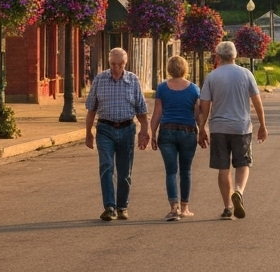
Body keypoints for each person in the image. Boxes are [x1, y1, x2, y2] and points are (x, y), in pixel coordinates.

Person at [198, 40, 267, 220]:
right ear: (235, 55)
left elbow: (204, 105)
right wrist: (262, 125)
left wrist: (201, 128)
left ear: (218, 56)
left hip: (219, 127)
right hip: (241, 126)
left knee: (223, 168)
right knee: (243, 164)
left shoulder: (212, 76)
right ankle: (238, 191)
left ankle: (228, 206)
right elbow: (256, 101)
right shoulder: (246, 74)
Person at [84, 47, 150, 221]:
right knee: (106, 166)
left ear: (125, 64)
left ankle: (122, 206)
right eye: (113, 64)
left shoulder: (133, 81)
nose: (116, 68)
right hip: (105, 128)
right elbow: (91, 109)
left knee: (124, 171)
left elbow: (141, 111)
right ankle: (110, 207)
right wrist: (88, 132)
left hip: (127, 129)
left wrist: (145, 131)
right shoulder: (100, 79)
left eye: (120, 64)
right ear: (109, 62)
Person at [150, 54, 200, 221]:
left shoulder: (162, 88)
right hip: (188, 131)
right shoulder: (194, 89)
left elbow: (157, 112)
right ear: (185, 69)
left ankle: (173, 208)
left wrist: (153, 133)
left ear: (169, 69)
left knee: (171, 171)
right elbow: (197, 114)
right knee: (185, 171)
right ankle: (185, 208)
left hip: (167, 131)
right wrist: (203, 131)